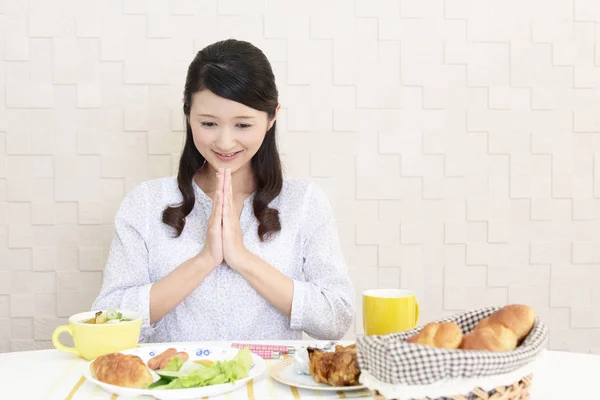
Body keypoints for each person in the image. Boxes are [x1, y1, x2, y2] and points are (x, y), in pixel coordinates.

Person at [91, 39, 355, 343]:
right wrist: (205, 260)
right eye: (209, 123)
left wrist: (242, 257)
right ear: (187, 112)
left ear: (272, 118)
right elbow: (107, 321)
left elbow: (336, 319)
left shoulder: (304, 202)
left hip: (269, 387)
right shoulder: (146, 202)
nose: (225, 142)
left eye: (243, 125)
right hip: (175, 388)